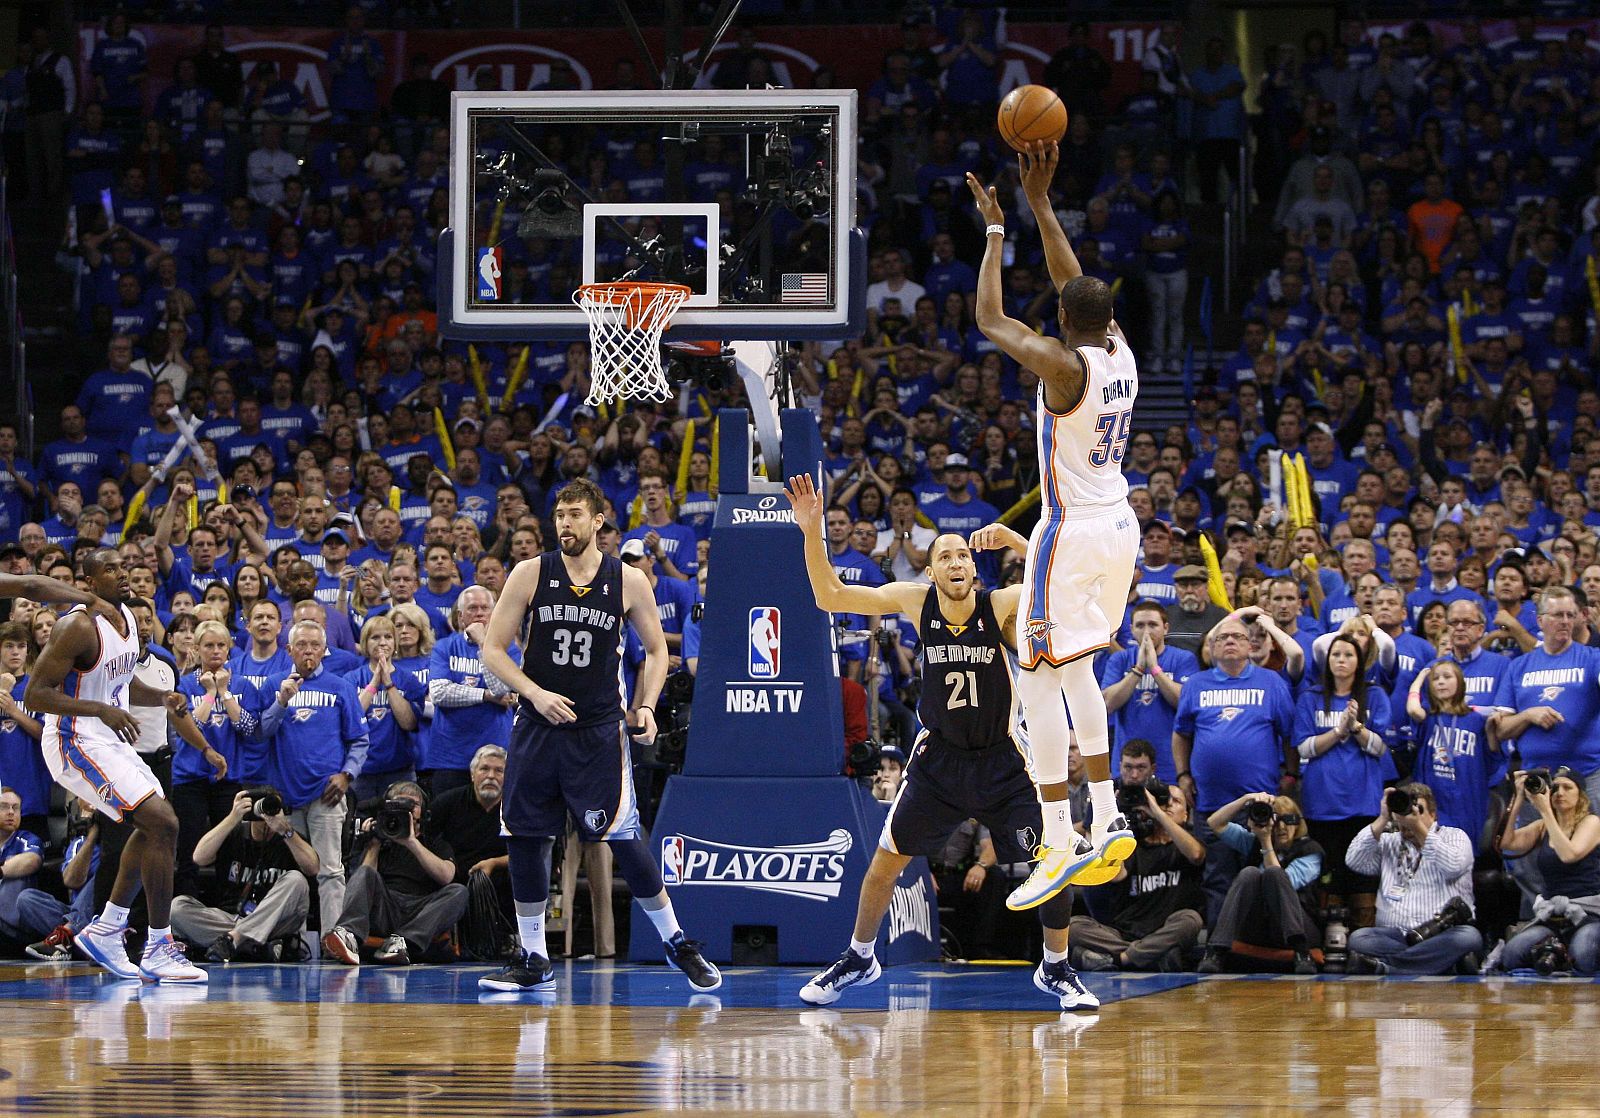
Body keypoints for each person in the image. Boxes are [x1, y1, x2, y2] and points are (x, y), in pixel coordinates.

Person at [782, 493, 1094, 1010]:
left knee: (1053, 861)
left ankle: (1056, 968)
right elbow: (829, 595)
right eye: (944, 556)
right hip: (940, 761)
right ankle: (860, 956)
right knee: (885, 862)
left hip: (1001, 759)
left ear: (975, 570)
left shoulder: (998, 605)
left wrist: (1017, 540)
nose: (956, 561)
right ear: (930, 572)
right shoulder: (913, 600)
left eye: (964, 556)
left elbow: (1057, 587)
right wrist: (810, 529)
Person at [967, 142, 1140, 910]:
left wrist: (999, 231)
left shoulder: (1064, 368)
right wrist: (1042, 204)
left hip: (1068, 533)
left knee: (1035, 675)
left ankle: (1060, 834)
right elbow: (1076, 284)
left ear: (1065, 322)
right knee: (1074, 673)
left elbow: (989, 317)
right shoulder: (1119, 350)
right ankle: (1104, 818)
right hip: (1120, 528)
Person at [477, 478, 719, 993]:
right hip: (538, 725)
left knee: (623, 836)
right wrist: (533, 693)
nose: (564, 524)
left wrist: (647, 705)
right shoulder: (529, 572)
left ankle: (676, 942)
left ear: (598, 521)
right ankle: (534, 956)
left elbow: (656, 652)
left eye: (574, 515)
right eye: (559, 514)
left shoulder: (628, 580)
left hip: (598, 731)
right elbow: (494, 650)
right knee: (525, 835)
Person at [23, 548, 208, 982]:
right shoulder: (77, 626)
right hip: (73, 740)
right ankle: (157, 945)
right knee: (163, 823)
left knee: (157, 826)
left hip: (107, 740)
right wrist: (99, 711)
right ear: (90, 581)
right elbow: (35, 695)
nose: (122, 575)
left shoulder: (125, 616)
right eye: (110, 570)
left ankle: (107, 928)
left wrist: (162, 699)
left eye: (124, 568)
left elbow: (124, 685)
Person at [1172, 615, 1296, 920]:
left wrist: (1291, 774)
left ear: (1250, 645)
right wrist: (1183, 774)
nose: (1229, 641)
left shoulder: (1271, 682)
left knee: (1260, 875)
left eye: (1238, 637)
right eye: (1222, 637)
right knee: (1217, 878)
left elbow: (1289, 734)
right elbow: (1181, 734)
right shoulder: (1196, 684)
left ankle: (1257, 945)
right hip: (1212, 804)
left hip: (1260, 802)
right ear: (1211, 648)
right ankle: (1219, 945)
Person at [255, 620, 370, 937]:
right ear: (288, 649)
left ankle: (335, 939)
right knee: (290, 871)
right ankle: (286, 939)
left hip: (326, 795)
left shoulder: (341, 687)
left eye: (314, 645)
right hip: (285, 796)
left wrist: (347, 776)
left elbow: (359, 740)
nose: (308, 651)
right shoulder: (273, 685)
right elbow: (261, 732)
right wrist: (281, 701)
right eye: (301, 645)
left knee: (331, 871)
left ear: (324, 650)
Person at [1294, 632, 1391, 929]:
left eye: (1348, 655)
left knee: (1362, 876)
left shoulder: (1374, 696)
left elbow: (1380, 748)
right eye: (1336, 654)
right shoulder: (1311, 697)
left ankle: (1363, 942)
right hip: (1322, 802)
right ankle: (1330, 941)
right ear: (1327, 660)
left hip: (1363, 803)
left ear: (1359, 662)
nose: (1341, 660)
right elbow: (1304, 748)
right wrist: (1338, 732)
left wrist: (1356, 727)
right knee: (1329, 876)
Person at [1066, 778, 1207, 971]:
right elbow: (1115, 875)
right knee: (1073, 926)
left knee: (1191, 919)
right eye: (1163, 801)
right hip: (1124, 933)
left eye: (1176, 801)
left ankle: (1117, 959)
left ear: (1186, 815)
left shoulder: (1187, 845)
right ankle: (1151, 957)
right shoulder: (1132, 841)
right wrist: (1112, 814)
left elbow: (1196, 855)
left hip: (1166, 929)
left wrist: (1157, 812)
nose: (1168, 805)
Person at [322, 780, 468, 966]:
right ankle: (349, 935)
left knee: (459, 891)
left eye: (412, 805)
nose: (405, 809)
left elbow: (446, 876)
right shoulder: (380, 839)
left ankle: (402, 942)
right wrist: (374, 844)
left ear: (423, 811)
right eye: (398, 803)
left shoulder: (435, 842)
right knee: (365, 872)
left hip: (421, 910)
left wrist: (411, 842)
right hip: (386, 906)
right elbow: (362, 880)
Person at [1345, 782, 1482, 974]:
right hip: (1395, 935)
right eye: (1405, 811)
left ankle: (1388, 968)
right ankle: (1440, 964)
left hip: (1442, 932)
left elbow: (1453, 867)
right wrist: (1383, 817)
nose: (1410, 816)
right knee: (1359, 939)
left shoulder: (1455, 837)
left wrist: (1418, 828)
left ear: (1433, 815)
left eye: (1418, 810)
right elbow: (1354, 861)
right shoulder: (1389, 841)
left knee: (1468, 938)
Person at [171, 784, 318, 963]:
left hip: (276, 922)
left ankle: (236, 940)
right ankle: (254, 946)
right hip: (232, 917)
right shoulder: (236, 833)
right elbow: (199, 857)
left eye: (274, 807)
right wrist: (233, 817)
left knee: (297, 880)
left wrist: (285, 830)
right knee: (177, 908)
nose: (267, 814)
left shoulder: (289, 837)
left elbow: (313, 868)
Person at [1200, 792, 1324, 973]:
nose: (1281, 826)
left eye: (1288, 819)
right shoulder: (1253, 842)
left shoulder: (1310, 851)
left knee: (1274, 874)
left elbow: (1284, 886)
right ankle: (1216, 950)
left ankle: (1301, 952)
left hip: (1300, 929)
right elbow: (1215, 823)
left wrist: (1266, 843)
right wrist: (1246, 799)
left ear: (1299, 822)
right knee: (1249, 873)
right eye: (1276, 819)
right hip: (1260, 927)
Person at [1495, 767, 1600, 973]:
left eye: (1567, 788)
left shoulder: (1592, 822)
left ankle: (1561, 956)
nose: (1559, 792)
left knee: (1583, 955)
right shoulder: (1542, 826)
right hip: (1553, 915)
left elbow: (1568, 855)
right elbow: (1506, 843)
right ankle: (1557, 954)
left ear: (1581, 796)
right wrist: (1518, 798)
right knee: (1512, 954)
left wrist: (1545, 811)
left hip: (1588, 914)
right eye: (1555, 788)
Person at [1100, 600, 1198, 782]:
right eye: (1140, 625)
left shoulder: (1183, 658)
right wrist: (1138, 669)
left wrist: (1154, 669)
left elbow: (1186, 702)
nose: (1146, 631)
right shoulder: (1120, 659)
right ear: (1131, 629)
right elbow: (1106, 704)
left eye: (1153, 625)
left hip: (1171, 763)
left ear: (1166, 628)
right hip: (1127, 765)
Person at [1405, 660, 1499, 847]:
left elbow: (1493, 756)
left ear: (1460, 683)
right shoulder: (1429, 717)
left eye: (1447, 677)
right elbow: (1413, 709)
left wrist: (1490, 731)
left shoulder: (1476, 720)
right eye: (1435, 679)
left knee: (1462, 856)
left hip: (1466, 799)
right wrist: (1420, 678)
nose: (1440, 682)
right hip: (1433, 798)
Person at [20, 797, 100, 961]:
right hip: (77, 914)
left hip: (107, 917)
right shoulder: (79, 843)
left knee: (105, 874)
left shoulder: (121, 846)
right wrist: (92, 837)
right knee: (26, 899)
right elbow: (71, 881)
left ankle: (69, 934)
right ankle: (76, 940)